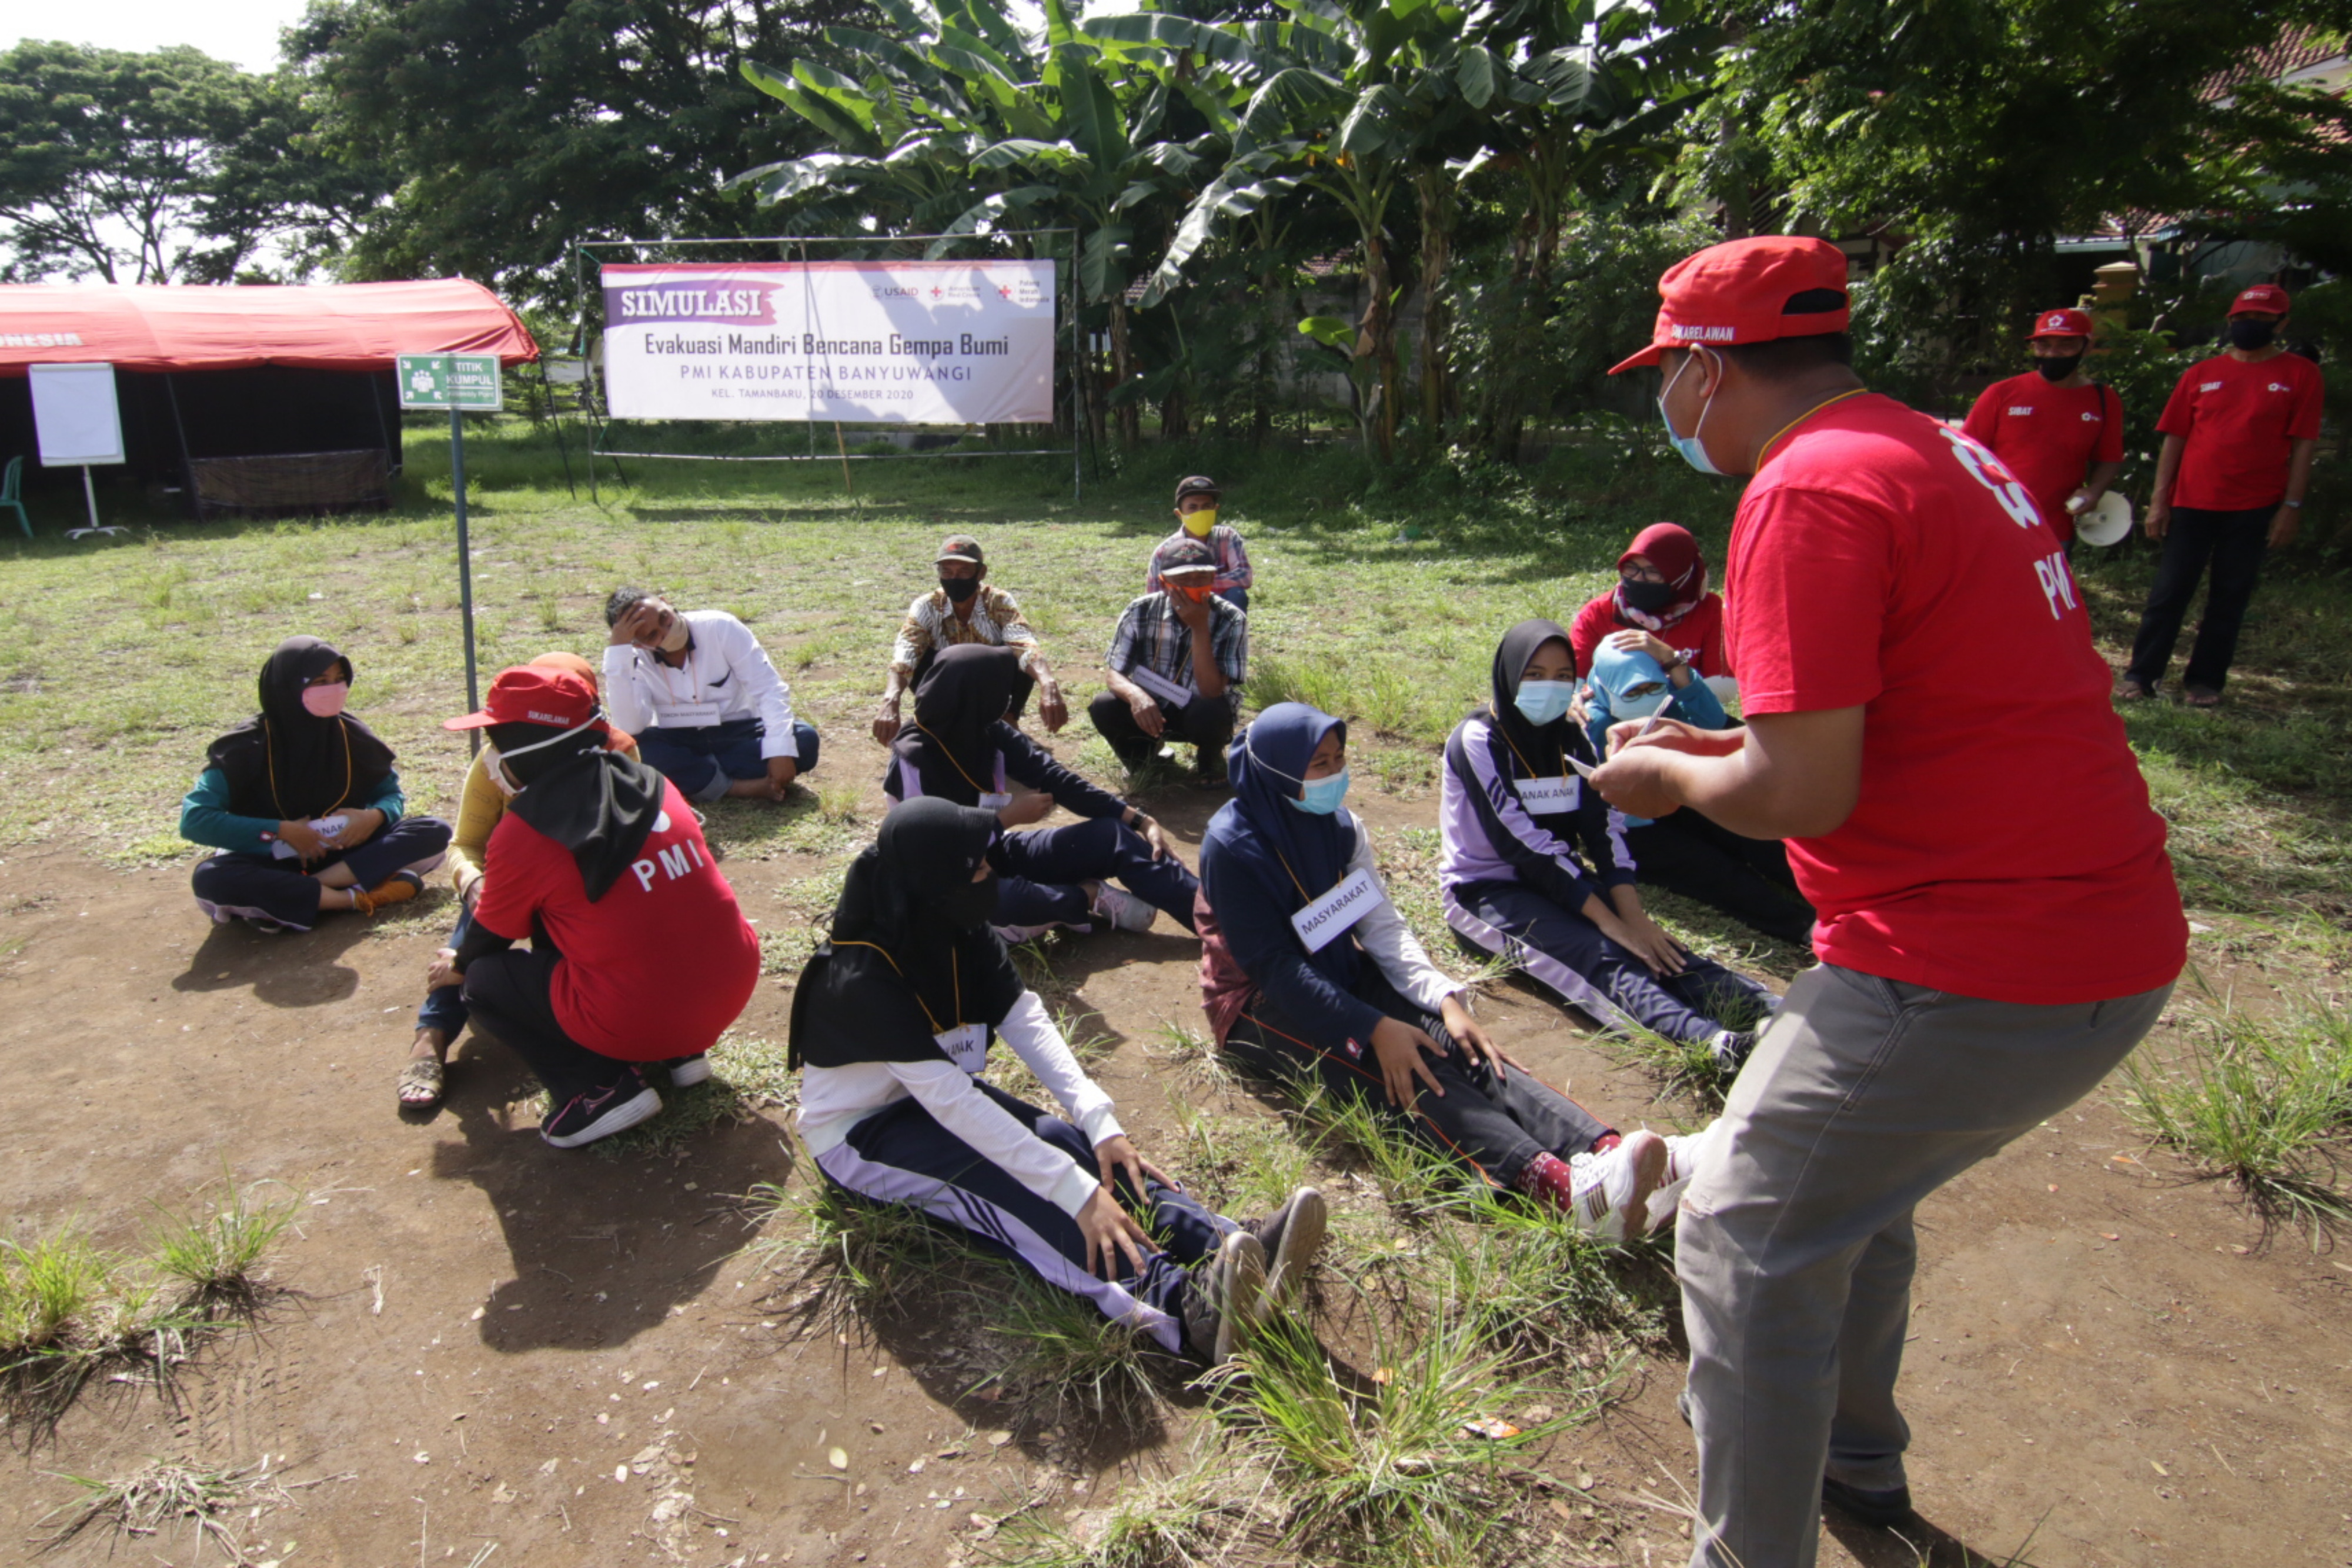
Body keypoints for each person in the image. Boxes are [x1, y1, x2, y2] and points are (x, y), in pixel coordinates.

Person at [1599, 234, 2185, 1567]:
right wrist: (1719, 756)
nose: (1672, 405)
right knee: (1846, 1200)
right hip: (2098, 930)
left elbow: (1800, 790)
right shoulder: (1935, 448)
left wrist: (1669, 784)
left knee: (1744, 1232)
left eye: (1669, 375)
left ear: (1702, 368)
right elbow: (1882, 725)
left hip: (1974, 955)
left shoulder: (1804, 488)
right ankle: (1856, 1467)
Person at [793, 796, 1328, 1365]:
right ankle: (1183, 1307)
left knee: (1074, 1146)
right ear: (937, 881)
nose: (991, 874)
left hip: (931, 1094)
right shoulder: (860, 976)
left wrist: (1101, 1124)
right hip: (862, 1135)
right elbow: (951, 1102)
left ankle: (1219, 1242)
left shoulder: (954, 919)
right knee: (1019, 1191)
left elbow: (1023, 1016)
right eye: (977, 866)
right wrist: (1078, 1196)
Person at [1197, 701, 1690, 1241]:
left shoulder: (1339, 826)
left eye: (1340, 759)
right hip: (1260, 1007)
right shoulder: (1231, 847)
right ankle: (1563, 1191)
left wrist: (1444, 1000)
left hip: (1338, 968)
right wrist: (1374, 1028)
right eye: (1319, 765)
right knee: (1403, 1071)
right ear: (1278, 771)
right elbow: (1277, 970)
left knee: (1459, 1044)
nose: (1336, 775)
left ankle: (1608, 1153)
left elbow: (1380, 925)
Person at [431, 665, 761, 1148]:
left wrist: (457, 963)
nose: (492, 756)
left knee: (485, 983)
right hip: (729, 985)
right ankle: (683, 1054)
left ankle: (597, 1088)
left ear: (527, 744)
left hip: (643, 1011)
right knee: (606, 914)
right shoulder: (653, 781)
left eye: (497, 740)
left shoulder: (526, 831)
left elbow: (492, 936)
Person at [1442, 622, 1780, 1066]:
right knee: (1596, 954)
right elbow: (1524, 847)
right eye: (1535, 674)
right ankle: (1712, 1044)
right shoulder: (1478, 740)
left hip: (1563, 877)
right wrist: (1611, 923)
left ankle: (1768, 1009)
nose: (1552, 686)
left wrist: (1633, 916)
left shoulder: (1573, 736)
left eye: (1564, 676)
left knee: (1658, 946)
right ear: (1508, 675)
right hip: (1489, 891)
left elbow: (1602, 828)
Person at [400, 651, 640, 1112]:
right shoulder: (497, 758)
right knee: (480, 910)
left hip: (578, 888)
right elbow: (465, 843)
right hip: (510, 882)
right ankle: (431, 1036)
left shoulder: (620, 749)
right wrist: (472, 883)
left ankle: (590, 1049)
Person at [887, 645, 1200, 942]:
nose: (1006, 698)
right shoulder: (913, 759)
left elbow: (1054, 779)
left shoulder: (985, 729)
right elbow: (935, 858)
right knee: (1001, 904)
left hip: (997, 855)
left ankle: (1217, 920)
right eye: (999, 689)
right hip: (948, 884)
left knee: (1113, 837)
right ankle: (1088, 897)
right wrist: (1005, 820)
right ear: (974, 695)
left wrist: (1139, 820)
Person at [2120, 282, 2324, 706]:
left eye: (2263, 319)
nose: (2250, 325)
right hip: (2193, 501)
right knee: (2169, 592)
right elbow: (2174, 437)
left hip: (2256, 504)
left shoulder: (2300, 374)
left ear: (2281, 323)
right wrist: (2160, 499)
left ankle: (2204, 682)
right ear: (2230, 321)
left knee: (2229, 596)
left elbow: (2304, 442)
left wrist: (2291, 505)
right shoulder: (2201, 374)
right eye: (2242, 318)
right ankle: (2142, 675)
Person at [183, 636, 452, 933]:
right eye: (320, 681)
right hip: (269, 857)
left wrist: (373, 816)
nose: (334, 689)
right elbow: (195, 820)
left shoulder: (352, 734)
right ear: (287, 686)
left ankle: (299, 894)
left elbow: (390, 794)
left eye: (339, 679)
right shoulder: (244, 747)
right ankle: (354, 899)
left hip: (345, 852)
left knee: (434, 831)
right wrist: (281, 831)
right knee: (211, 880)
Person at [1582, 640, 1815, 946]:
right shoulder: (1591, 723)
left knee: (1756, 838)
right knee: (1713, 871)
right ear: (1602, 688)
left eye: (1652, 686)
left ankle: (1839, 896)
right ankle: (1803, 927)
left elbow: (1715, 723)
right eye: (1632, 692)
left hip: (1678, 801)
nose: (1645, 698)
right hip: (1637, 829)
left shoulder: (1667, 706)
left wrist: (1672, 662)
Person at [602, 586, 821, 800]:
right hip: (678, 740)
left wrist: (779, 751)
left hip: (738, 733)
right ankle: (736, 787)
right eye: (652, 636)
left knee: (804, 738)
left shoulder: (719, 627)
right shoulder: (632, 658)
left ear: (666, 601)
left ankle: (697, 779)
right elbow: (630, 727)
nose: (667, 631)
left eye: (664, 618)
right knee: (633, 754)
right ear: (638, 645)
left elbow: (768, 689)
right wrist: (618, 656)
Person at [872, 534, 1068, 745]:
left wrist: (1048, 682)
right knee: (919, 655)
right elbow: (906, 651)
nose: (954, 579)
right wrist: (891, 699)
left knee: (1019, 654)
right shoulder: (926, 605)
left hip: (989, 684)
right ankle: (937, 721)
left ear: (981, 573)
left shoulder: (997, 601)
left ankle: (1008, 720)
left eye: (964, 571)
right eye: (947, 572)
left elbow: (1024, 641)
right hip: (945, 684)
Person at [1959, 306, 2126, 551]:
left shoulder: (2104, 399)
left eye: (2065, 345)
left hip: (2056, 527)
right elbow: (1963, 454)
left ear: (2087, 347)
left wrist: (2094, 491)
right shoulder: (2002, 394)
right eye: (2043, 345)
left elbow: (2109, 458)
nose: (2052, 354)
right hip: (1996, 521)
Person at [1090, 537, 1245, 785]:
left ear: (1213, 580)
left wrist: (1199, 628)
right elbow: (1114, 674)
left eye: (1201, 578)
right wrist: (1136, 695)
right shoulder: (1140, 610)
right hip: (1150, 709)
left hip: (1198, 708)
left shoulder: (1230, 618)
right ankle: (1143, 761)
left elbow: (1211, 690)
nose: (1194, 586)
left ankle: (1209, 759)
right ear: (1164, 583)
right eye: (1184, 580)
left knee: (1212, 710)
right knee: (1104, 705)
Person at [1566, 521, 1728, 685]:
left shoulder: (1710, 610)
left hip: (1689, 710)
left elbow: (1722, 685)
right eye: (1631, 568)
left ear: (1682, 576)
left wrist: (1669, 658)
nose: (1637, 579)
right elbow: (1573, 682)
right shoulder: (1600, 611)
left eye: (1653, 572)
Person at [1145, 474, 1252, 612]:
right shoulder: (1165, 551)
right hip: (1180, 612)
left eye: (1207, 507)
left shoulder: (1227, 537)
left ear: (1216, 509)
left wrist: (1196, 588)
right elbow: (1155, 596)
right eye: (1193, 507)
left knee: (1237, 594)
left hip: (1220, 608)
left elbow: (1244, 576)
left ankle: (1230, 633)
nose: (1200, 513)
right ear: (1179, 514)